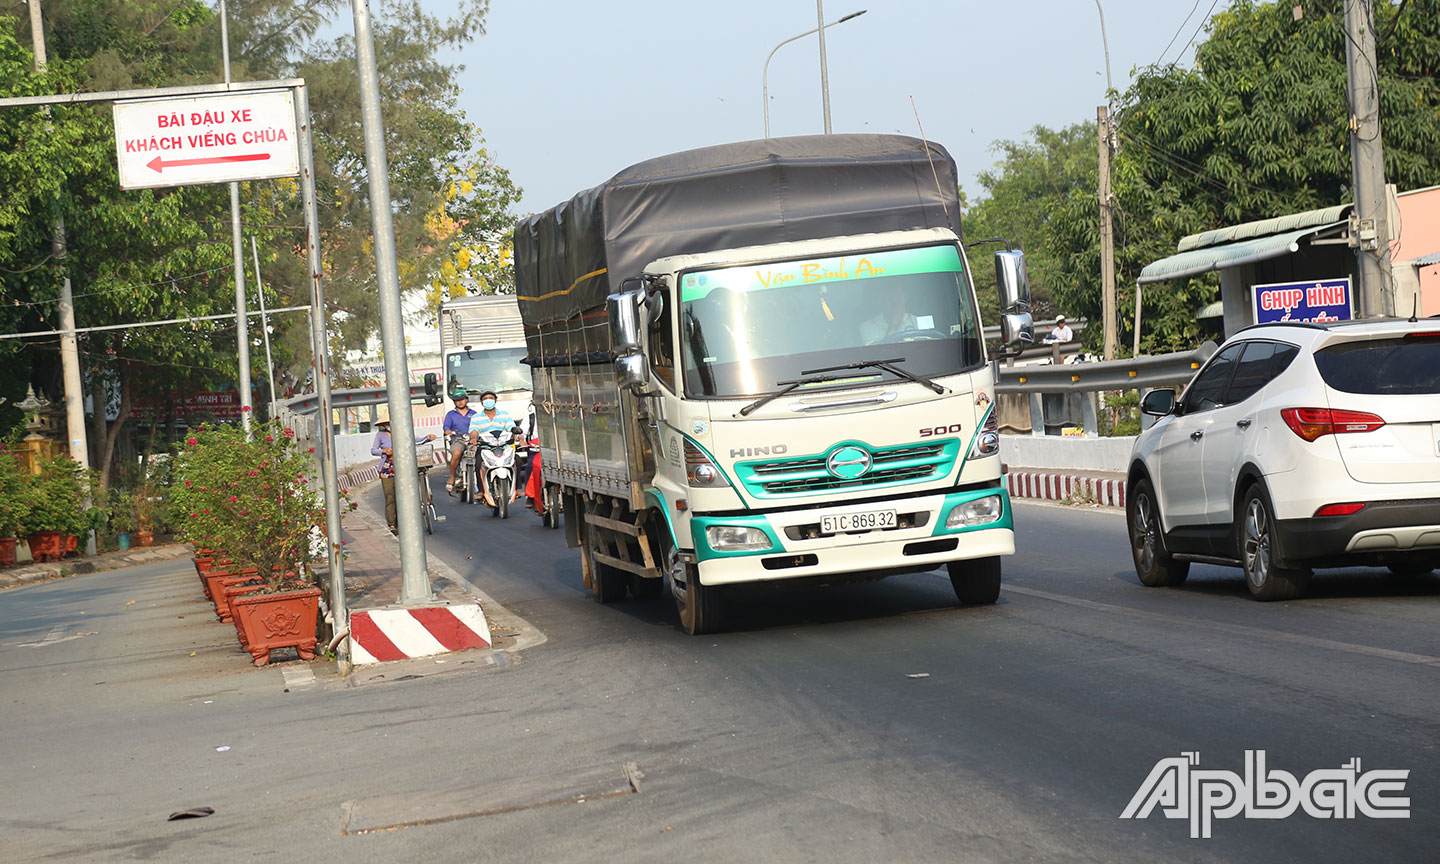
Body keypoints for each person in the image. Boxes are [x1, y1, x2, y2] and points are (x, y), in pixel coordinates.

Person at [371, 419, 436, 533]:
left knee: (405, 495)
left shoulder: (405, 431)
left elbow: (417, 440)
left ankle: (405, 521)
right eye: (387, 424)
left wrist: (428, 438)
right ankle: (392, 523)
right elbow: (374, 450)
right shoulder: (380, 435)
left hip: (405, 466)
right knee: (390, 496)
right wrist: (385, 451)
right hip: (388, 468)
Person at [442, 390, 476, 493]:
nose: (460, 402)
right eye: (457, 400)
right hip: (458, 439)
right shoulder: (451, 414)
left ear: (466, 400)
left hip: (473, 440)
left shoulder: (474, 414)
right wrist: (449, 432)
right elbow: (446, 428)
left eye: (462, 399)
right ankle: (452, 477)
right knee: (456, 453)